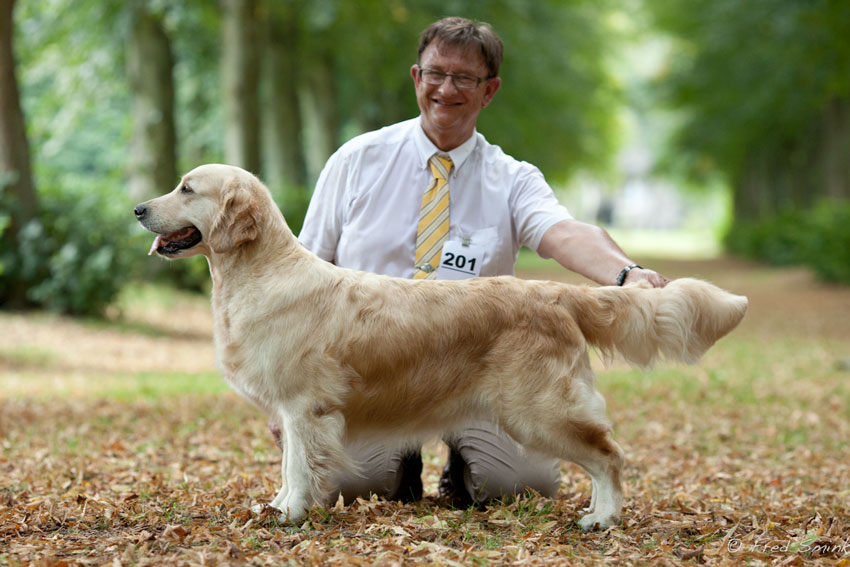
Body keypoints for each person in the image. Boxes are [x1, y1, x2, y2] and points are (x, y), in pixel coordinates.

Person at [295, 16, 669, 508]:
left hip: (483, 369)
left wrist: (625, 274)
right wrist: (292, 399)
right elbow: (305, 274)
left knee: (520, 489)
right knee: (347, 488)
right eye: (435, 73)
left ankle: (465, 465)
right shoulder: (355, 160)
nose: (446, 88)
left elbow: (563, 233)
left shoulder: (513, 178)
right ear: (416, 77)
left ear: (488, 91)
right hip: (373, 375)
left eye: (464, 79)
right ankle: (398, 466)